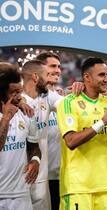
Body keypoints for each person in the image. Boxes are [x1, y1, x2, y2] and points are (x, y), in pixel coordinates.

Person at [56, 57, 107, 210]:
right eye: (101, 75)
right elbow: (70, 141)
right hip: (77, 187)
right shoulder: (68, 102)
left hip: (104, 185)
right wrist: (102, 121)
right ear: (87, 78)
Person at [21, 59, 63, 210]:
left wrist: (82, 91)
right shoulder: (13, 99)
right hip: (16, 177)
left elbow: (66, 105)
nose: (49, 78)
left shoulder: (48, 96)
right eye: (46, 74)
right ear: (35, 77)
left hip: (41, 175)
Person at [0, 62, 41, 210]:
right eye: (14, 93)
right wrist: (5, 119)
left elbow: (34, 146)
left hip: (21, 195)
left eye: (20, 92)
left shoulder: (26, 112)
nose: (19, 97)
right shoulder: (7, 116)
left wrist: (35, 160)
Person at [36, 51, 63, 210]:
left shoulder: (61, 99)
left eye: (59, 66)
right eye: (53, 66)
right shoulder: (27, 98)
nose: (58, 70)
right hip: (39, 175)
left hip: (61, 175)